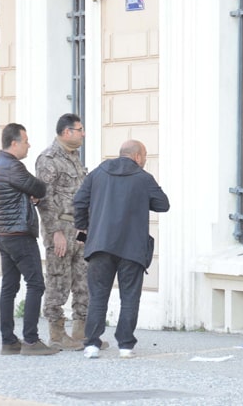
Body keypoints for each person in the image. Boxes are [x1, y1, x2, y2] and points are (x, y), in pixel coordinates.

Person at [73, 139, 170, 359]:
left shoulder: (98, 173)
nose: (144, 161)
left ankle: (92, 344)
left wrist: (83, 228)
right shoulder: (143, 178)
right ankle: (125, 346)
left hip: (100, 245)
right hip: (132, 247)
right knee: (130, 297)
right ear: (137, 156)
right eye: (145, 156)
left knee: (98, 296)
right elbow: (163, 204)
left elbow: (79, 201)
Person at [0, 123, 58, 356]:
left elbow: (21, 192)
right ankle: (31, 340)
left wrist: (27, 196)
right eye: (26, 141)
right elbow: (39, 187)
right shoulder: (13, 166)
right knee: (36, 284)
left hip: (2, 234)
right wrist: (33, 194)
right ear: (14, 143)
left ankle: (8, 341)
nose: (29, 145)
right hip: (19, 235)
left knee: (9, 286)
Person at [35, 114, 89, 350]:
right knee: (58, 280)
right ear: (67, 132)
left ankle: (81, 332)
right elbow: (44, 200)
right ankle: (57, 334)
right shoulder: (48, 159)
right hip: (60, 228)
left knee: (83, 280)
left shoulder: (74, 157)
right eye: (80, 129)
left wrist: (85, 225)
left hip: (80, 228)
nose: (83, 133)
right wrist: (55, 232)